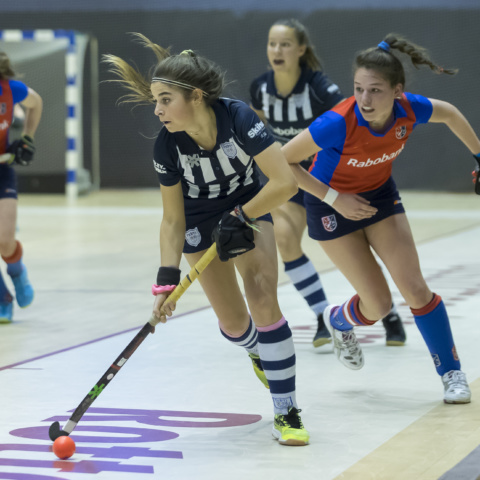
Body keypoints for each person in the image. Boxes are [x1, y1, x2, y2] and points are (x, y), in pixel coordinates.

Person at [104, 33, 309, 445]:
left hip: (249, 203)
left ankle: (286, 410)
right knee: (233, 324)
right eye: (156, 100)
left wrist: (242, 215)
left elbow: (284, 183)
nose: (158, 109)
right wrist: (165, 283)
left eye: (165, 100)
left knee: (261, 292)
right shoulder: (167, 147)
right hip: (199, 217)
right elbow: (172, 220)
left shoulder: (239, 119)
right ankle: (257, 348)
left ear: (196, 96)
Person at [281, 33, 479, 403]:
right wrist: (335, 198)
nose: (365, 100)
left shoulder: (409, 110)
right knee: (378, 306)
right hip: (330, 205)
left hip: (379, 198)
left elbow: (450, 113)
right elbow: (283, 162)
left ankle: (452, 374)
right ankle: (339, 320)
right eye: (359, 89)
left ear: (397, 91)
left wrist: (479, 156)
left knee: (415, 289)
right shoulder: (336, 123)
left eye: (375, 90)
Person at [249, 19, 406, 349]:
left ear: (301, 50)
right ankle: (322, 314)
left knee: (364, 245)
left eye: (285, 44)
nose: (277, 50)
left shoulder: (320, 88)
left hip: (331, 177)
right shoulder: (260, 88)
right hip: (293, 178)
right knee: (284, 238)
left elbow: (352, 124)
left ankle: (387, 311)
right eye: (272, 43)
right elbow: (258, 134)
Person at [0, 51, 42, 323]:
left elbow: (35, 103)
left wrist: (27, 137)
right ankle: (3, 298)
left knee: (5, 241)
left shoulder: (9, 89)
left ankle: (17, 272)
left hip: (2, 170)